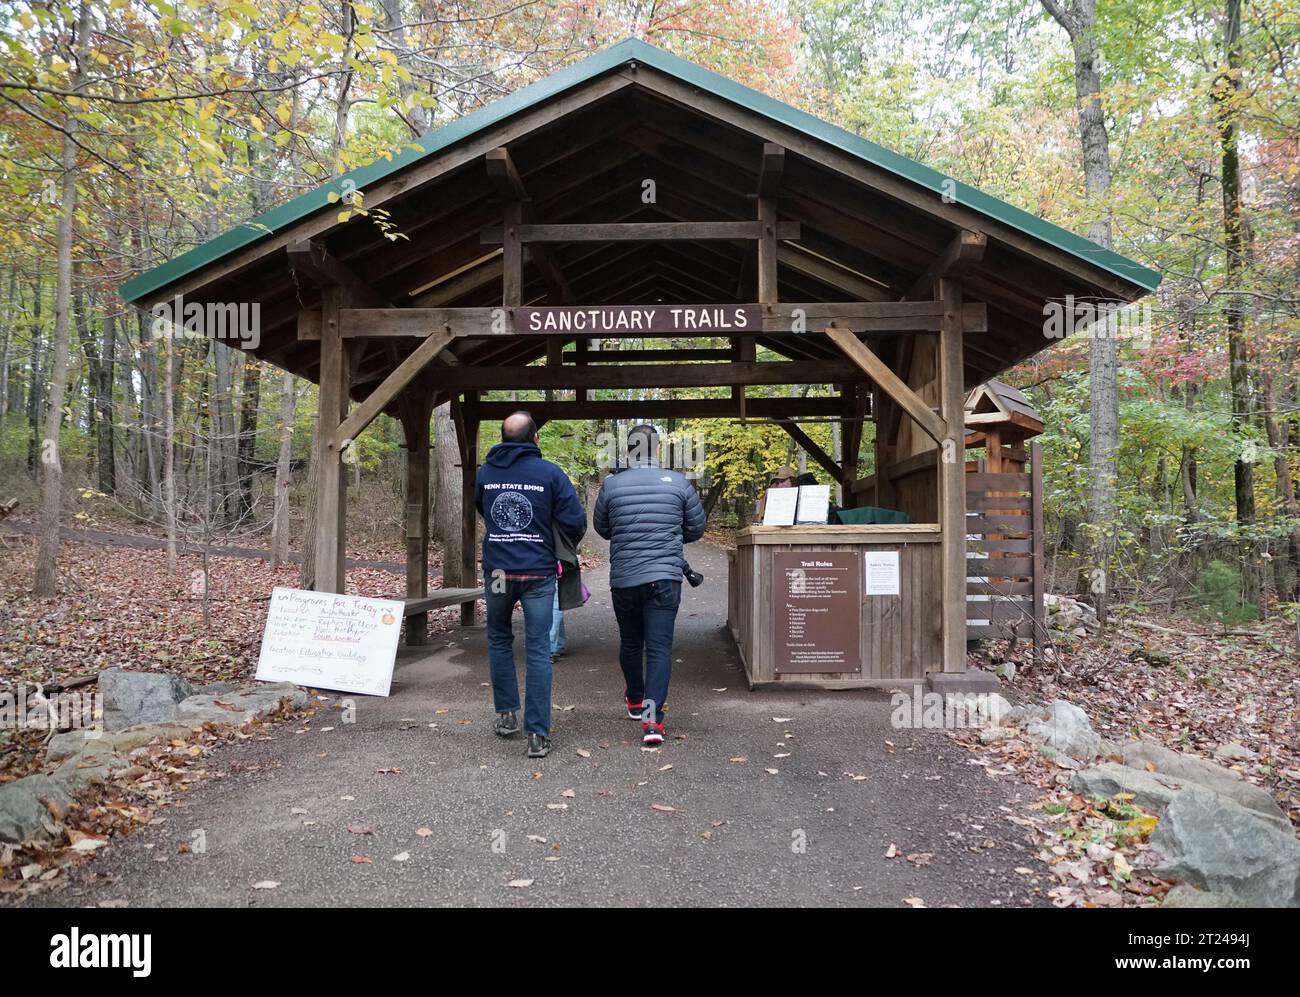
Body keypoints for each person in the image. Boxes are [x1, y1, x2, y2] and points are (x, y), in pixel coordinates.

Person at [474, 411, 586, 758]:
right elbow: (575, 520)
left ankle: (507, 715)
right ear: (535, 439)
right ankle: (537, 735)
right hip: (538, 573)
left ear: (504, 438)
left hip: (497, 574)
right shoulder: (549, 473)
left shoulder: (485, 473)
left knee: (498, 638)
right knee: (538, 649)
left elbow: (483, 509)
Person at [594, 424, 706, 745]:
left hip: (625, 578)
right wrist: (669, 534)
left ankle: (634, 699)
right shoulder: (679, 483)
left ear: (629, 450)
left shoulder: (612, 485)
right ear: (658, 450)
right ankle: (652, 722)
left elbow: (603, 528)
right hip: (665, 577)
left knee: (631, 642)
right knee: (658, 649)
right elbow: (696, 529)